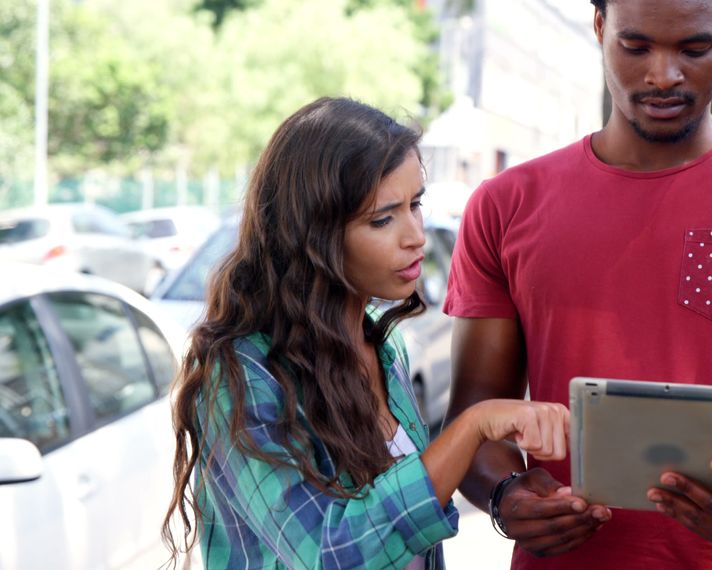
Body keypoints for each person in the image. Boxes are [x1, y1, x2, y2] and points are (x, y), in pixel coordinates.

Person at [441, 0, 712, 567]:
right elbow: (476, 416)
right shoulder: (505, 205)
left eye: (694, 49)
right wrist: (507, 497)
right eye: (636, 46)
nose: (664, 75)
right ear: (599, 27)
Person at [161, 97, 571, 570]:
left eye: (415, 204)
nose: (415, 234)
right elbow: (328, 553)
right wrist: (471, 427)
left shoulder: (383, 343)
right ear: (312, 235)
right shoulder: (241, 372)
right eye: (383, 218)